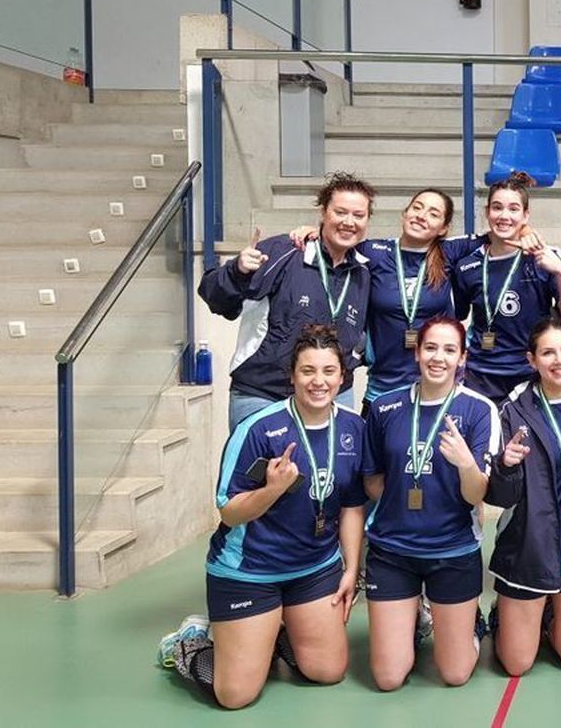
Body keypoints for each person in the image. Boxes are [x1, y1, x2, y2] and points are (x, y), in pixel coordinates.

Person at [158, 325, 367, 709]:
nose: (318, 381)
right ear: (292, 375)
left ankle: (273, 634)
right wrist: (271, 490)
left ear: (342, 376)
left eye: (328, 371)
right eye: (307, 371)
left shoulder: (354, 427)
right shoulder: (258, 429)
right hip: (250, 571)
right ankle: (191, 641)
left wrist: (351, 569)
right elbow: (229, 512)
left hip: (315, 569)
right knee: (235, 696)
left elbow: (353, 504)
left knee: (328, 671)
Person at [360, 316, 500, 689]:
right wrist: (403, 506)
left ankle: (471, 621)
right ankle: (417, 617)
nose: (439, 357)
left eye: (450, 350)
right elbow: (373, 480)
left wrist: (466, 463)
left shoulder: (479, 410)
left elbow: (477, 494)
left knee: (454, 674)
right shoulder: (385, 408)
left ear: (462, 358)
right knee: (388, 678)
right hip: (393, 550)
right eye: (431, 348)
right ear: (418, 352)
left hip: (452, 551)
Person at [199, 173, 375, 428]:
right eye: (340, 212)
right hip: (264, 395)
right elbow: (216, 299)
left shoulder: (364, 272)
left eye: (358, 215)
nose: (349, 222)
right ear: (323, 213)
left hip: (331, 397)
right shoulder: (285, 251)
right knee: (257, 469)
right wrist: (236, 271)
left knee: (329, 469)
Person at [485, 318, 561, 675]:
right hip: (529, 550)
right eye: (548, 352)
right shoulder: (513, 409)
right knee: (516, 664)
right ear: (532, 360)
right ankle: (501, 616)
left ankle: (551, 609)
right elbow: (499, 496)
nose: (559, 359)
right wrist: (505, 466)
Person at [288, 188, 465, 412]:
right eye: (417, 207)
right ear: (405, 213)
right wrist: (315, 231)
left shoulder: (451, 253)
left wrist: (525, 230)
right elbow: (336, 241)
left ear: (444, 228)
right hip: (383, 388)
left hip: (434, 388)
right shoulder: (373, 251)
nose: (421, 215)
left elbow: (499, 236)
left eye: (433, 213)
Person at [452, 171, 561, 401]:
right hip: (481, 376)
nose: (504, 216)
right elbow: (458, 317)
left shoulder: (546, 257)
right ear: (487, 213)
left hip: (531, 374)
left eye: (513, 209)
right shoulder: (467, 265)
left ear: (525, 215)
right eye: (497, 207)